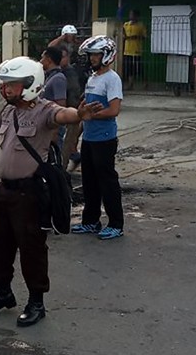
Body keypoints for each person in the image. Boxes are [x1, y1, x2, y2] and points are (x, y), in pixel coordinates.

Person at [0, 57, 101, 328]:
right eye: (5, 86)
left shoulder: (45, 110)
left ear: (30, 84)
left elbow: (64, 115)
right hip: (3, 192)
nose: (6, 90)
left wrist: (79, 115)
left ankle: (36, 302)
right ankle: (3, 293)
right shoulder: (8, 112)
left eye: (11, 85)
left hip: (30, 194)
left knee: (32, 249)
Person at [72, 36, 125, 240]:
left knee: (107, 182)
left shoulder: (112, 79)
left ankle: (116, 224)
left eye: (95, 54)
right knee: (90, 182)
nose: (92, 58)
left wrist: (90, 115)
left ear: (107, 56)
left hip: (104, 139)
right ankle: (91, 221)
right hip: (90, 139)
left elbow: (114, 110)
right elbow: (84, 108)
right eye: (91, 55)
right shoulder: (93, 78)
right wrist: (79, 128)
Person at [59, 45, 85, 170]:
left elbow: (74, 93)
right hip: (68, 113)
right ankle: (74, 158)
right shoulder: (61, 72)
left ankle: (63, 169)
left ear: (68, 57)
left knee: (67, 142)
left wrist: (72, 112)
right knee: (68, 142)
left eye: (63, 57)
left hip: (72, 112)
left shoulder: (70, 73)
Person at [40, 47, 68, 148]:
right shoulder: (50, 76)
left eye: (42, 58)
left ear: (49, 60)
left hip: (53, 127)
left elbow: (61, 104)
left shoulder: (58, 78)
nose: (41, 61)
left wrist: (55, 130)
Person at [122, 9, 147, 89]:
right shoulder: (126, 25)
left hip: (136, 50)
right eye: (130, 15)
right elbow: (123, 34)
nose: (131, 16)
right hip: (127, 50)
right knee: (129, 68)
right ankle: (130, 84)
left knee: (139, 68)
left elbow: (145, 36)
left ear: (137, 16)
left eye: (132, 15)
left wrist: (136, 37)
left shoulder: (140, 26)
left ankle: (145, 82)